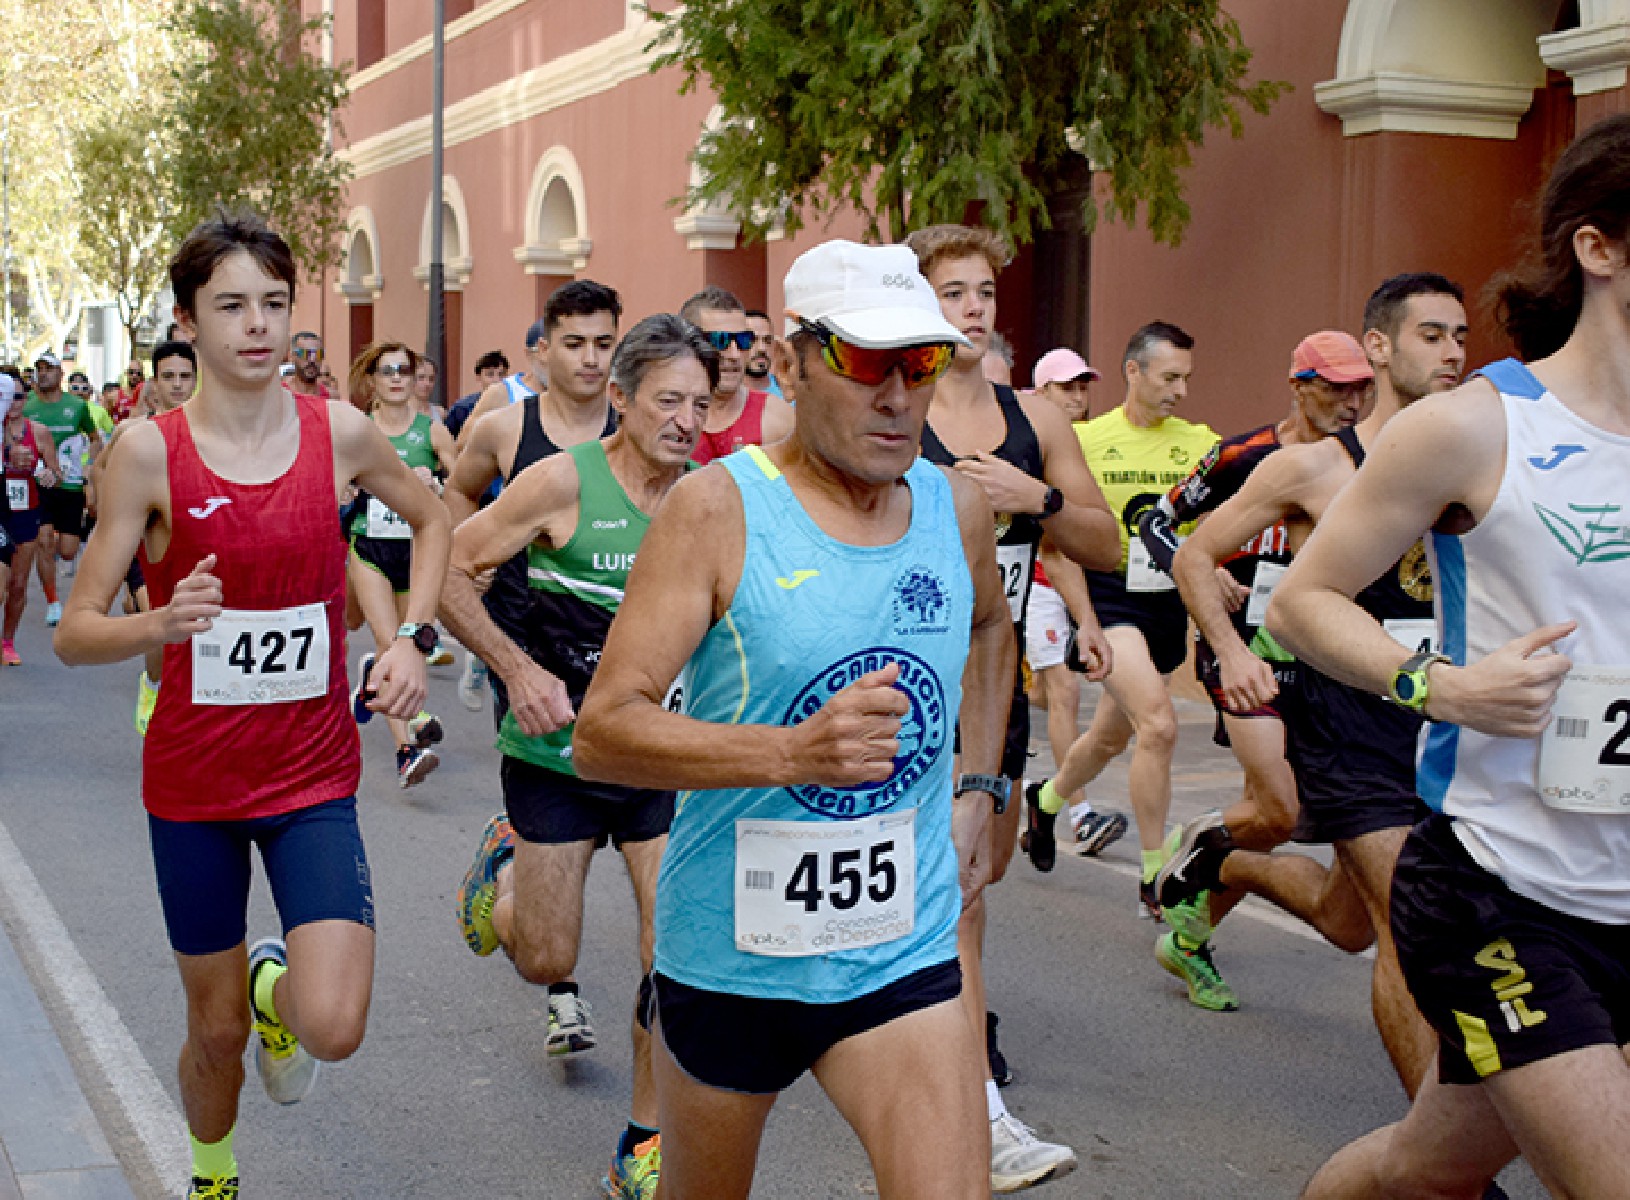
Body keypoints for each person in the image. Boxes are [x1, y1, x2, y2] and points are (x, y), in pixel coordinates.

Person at [572, 238, 1008, 1200]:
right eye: (864, 362)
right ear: (795, 362)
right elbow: (603, 730)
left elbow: (988, 627)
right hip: (735, 955)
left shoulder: (954, 509)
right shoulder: (717, 511)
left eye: (920, 363)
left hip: (904, 940)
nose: (897, 396)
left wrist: (978, 788)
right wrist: (790, 752)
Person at [53, 209, 450, 1200]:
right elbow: (74, 629)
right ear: (189, 321)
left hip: (311, 775)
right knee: (216, 1031)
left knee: (334, 1026)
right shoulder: (148, 455)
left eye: (273, 302)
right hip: (192, 785)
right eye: (231, 305)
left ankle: (279, 986)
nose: (258, 325)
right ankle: (213, 1174)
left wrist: (413, 638)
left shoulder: (340, 434)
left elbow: (437, 517)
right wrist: (159, 627)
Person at [1289, 113, 1630, 1200]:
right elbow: (1303, 603)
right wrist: (1442, 687)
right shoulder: (1479, 427)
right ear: (1599, 246)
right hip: (1505, 890)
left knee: (1425, 1167)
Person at [1156, 275, 1467, 1081]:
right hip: (1345, 728)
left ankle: (1229, 864)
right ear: (1379, 347)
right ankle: (1444, 1160)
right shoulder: (1309, 469)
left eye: (1461, 336)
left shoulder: (1471, 456)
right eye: (1432, 335)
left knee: (1348, 923)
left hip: (1443, 724)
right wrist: (1232, 652)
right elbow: (1192, 553)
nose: (1455, 352)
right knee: (1407, 925)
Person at [446, 314, 716, 1200]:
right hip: (554, 758)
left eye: (701, 404)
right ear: (623, 398)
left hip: (658, 765)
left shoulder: (711, 500)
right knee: (544, 957)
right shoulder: (558, 482)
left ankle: (641, 1142)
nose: (685, 420)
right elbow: (451, 569)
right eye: (668, 400)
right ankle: (506, 873)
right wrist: (516, 667)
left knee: (667, 947)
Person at [907, 222, 1121, 1192]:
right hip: (899, 692)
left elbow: (1106, 545)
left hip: (993, 694)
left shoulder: (1035, 416)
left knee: (973, 882)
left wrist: (1029, 494)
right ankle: (976, 1111)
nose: (975, 306)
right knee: (955, 902)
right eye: (952, 290)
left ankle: (924, 1041)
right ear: (917, 302)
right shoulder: (890, 408)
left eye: (984, 289)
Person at [1132, 329, 1373, 1011]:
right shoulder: (1245, 456)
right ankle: (1200, 858)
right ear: (1298, 385)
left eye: (1361, 387)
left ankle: (1193, 919)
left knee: (1267, 817)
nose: (1350, 402)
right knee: (1282, 805)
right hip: (1239, 648)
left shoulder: (1366, 468)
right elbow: (1159, 520)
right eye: (1334, 387)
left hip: (1319, 661)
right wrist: (1211, 571)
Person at [1025, 322, 1218, 917]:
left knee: (1113, 735)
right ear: (1133, 373)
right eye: (1168, 378)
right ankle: (1156, 873)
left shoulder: (1201, 442)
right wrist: (1082, 617)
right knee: (1158, 726)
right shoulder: (1088, 440)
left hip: (1166, 604)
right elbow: (1058, 543)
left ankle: (1049, 799)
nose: (1179, 391)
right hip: (1109, 599)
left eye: (1186, 379)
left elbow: (1224, 523)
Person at [442, 283, 624, 717]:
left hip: (613, 631)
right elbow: (461, 489)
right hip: (523, 630)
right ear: (544, 349)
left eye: (603, 344)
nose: (590, 359)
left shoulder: (632, 428)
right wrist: (473, 557)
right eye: (575, 344)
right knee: (535, 771)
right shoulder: (504, 428)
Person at [1022, 347, 1125, 856]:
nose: (1078, 397)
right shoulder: (1029, 437)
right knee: (1064, 693)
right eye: (1067, 387)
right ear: (1041, 392)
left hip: (1079, 583)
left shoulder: (1096, 441)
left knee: (1051, 693)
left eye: (1084, 386)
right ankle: (1080, 815)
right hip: (1037, 581)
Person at [343, 340, 458, 786]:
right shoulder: (360, 430)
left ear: (414, 380)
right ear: (371, 381)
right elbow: (336, 481)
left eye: (403, 371)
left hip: (415, 552)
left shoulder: (431, 431)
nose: (395, 378)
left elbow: (461, 483)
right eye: (386, 371)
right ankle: (407, 748)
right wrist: (348, 490)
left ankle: (374, 677)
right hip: (369, 548)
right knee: (390, 641)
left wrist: (437, 482)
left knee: (414, 645)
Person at [91, 341, 201, 733]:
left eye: (185, 377)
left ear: (195, 381)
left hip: (191, 543)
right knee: (160, 622)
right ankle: (152, 685)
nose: (177, 386)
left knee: (191, 628)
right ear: (154, 383)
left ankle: (190, 699)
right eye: (168, 377)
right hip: (144, 545)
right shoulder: (133, 431)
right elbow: (99, 471)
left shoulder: (207, 432)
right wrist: (113, 514)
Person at [23, 351, 102, 628]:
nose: (43, 373)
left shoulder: (77, 407)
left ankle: (57, 548)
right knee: (44, 539)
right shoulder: (27, 406)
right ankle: (53, 602)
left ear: (60, 375)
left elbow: (95, 438)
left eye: (49, 369)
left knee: (67, 550)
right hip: (38, 483)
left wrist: (89, 467)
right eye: (39, 369)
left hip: (69, 484)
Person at [679, 286, 795, 463]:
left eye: (743, 340)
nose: (734, 355)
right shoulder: (666, 419)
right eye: (720, 340)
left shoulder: (778, 420)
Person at [2, 375, 60, 664]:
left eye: (18, 396)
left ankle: (7, 641)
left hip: (26, 513)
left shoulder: (38, 432)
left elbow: (57, 474)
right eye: (7, 396)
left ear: (26, 400)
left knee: (18, 584)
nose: (13, 403)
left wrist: (49, 476)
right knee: (1, 583)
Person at [445, 350, 511, 439]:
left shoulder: (517, 405)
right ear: (478, 377)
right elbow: (448, 441)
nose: (497, 380)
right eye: (490, 375)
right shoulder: (463, 408)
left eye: (501, 374)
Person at [742, 309, 782, 397]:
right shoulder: (723, 395)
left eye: (767, 340)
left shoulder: (789, 395)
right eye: (752, 340)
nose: (762, 348)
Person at [286, 331, 330, 401]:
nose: (312, 360)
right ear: (292, 356)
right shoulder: (281, 396)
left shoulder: (329, 398)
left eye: (317, 354)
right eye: (305, 353)